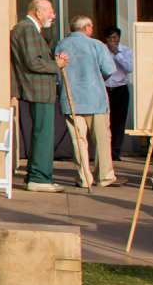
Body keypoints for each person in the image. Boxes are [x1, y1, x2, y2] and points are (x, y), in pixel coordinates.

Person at [57, 15, 118, 190]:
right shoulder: (97, 45)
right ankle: (104, 176)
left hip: (71, 99)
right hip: (96, 99)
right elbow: (109, 70)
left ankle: (84, 177)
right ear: (88, 28)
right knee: (101, 141)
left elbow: (57, 71)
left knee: (79, 141)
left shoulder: (62, 44)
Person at [9, 0, 63, 192]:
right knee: (43, 134)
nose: (53, 15)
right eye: (50, 11)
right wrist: (56, 65)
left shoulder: (30, 29)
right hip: (37, 89)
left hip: (39, 89)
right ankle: (40, 177)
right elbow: (32, 62)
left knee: (42, 133)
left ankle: (37, 174)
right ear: (37, 12)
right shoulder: (27, 29)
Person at [104, 27, 133, 162]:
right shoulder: (102, 49)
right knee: (106, 121)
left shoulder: (125, 50)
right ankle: (105, 150)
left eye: (115, 38)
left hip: (120, 88)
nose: (112, 41)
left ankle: (116, 151)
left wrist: (117, 54)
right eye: (110, 38)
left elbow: (129, 68)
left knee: (119, 121)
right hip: (106, 88)